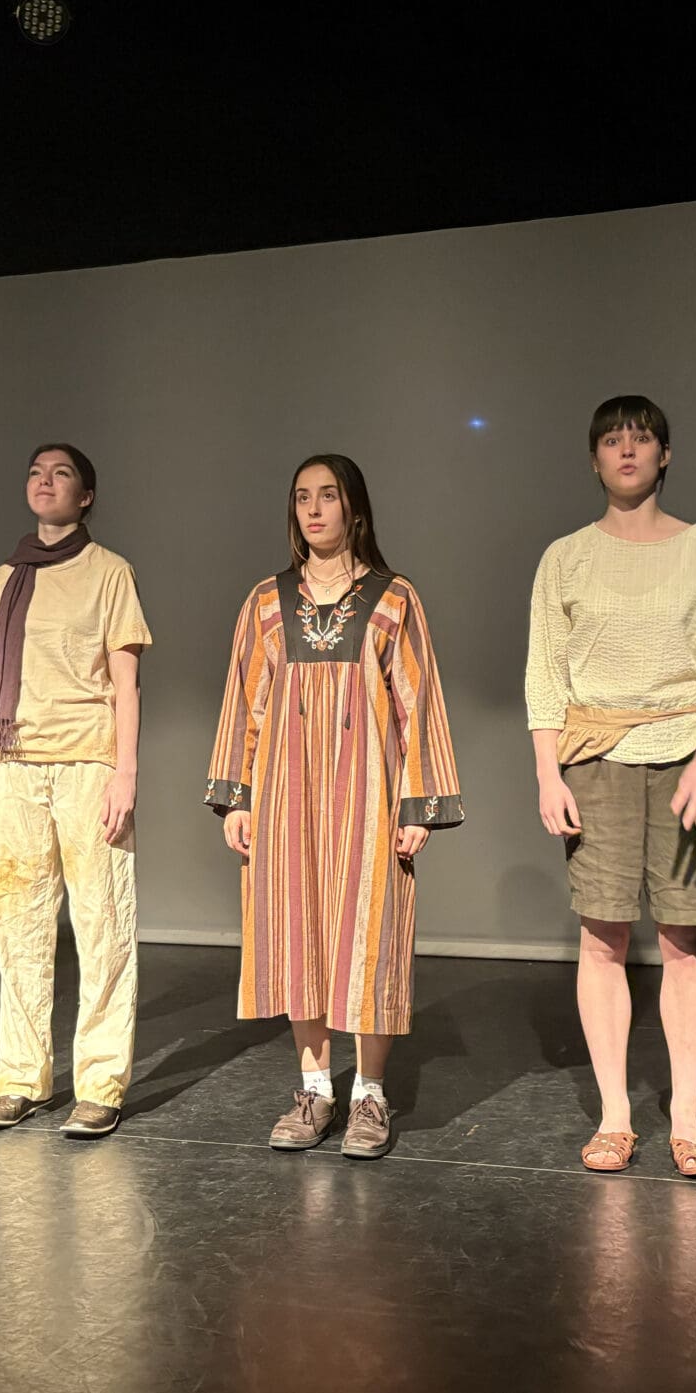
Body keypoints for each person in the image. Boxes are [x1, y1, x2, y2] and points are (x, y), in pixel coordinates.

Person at [207, 454, 464, 1161]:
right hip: (287, 793)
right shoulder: (266, 600)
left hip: (370, 796)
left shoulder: (393, 598)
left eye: (328, 496)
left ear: (354, 507)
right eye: (302, 497)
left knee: (370, 937)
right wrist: (238, 797)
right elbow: (245, 702)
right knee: (299, 934)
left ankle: (370, 1094)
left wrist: (418, 805)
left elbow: (418, 702)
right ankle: (315, 1089)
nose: (314, 509)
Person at [526, 396, 696, 1178]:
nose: (627, 451)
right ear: (594, 459)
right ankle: (615, 1117)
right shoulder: (566, 558)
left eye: (642, 438)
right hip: (595, 757)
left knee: (685, 937)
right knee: (603, 937)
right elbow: (546, 674)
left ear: (664, 455)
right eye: (613, 440)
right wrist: (548, 773)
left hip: (686, 756)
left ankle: (687, 1119)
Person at [0, 443, 151, 1139]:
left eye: (61, 473)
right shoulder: (4, 579)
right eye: (36, 472)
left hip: (87, 764)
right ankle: (21, 1079)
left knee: (102, 925)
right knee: (18, 927)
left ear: (86, 496)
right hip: (16, 766)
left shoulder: (110, 572)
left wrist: (125, 773)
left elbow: (126, 682)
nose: (45, 482)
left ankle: (100, 1084)